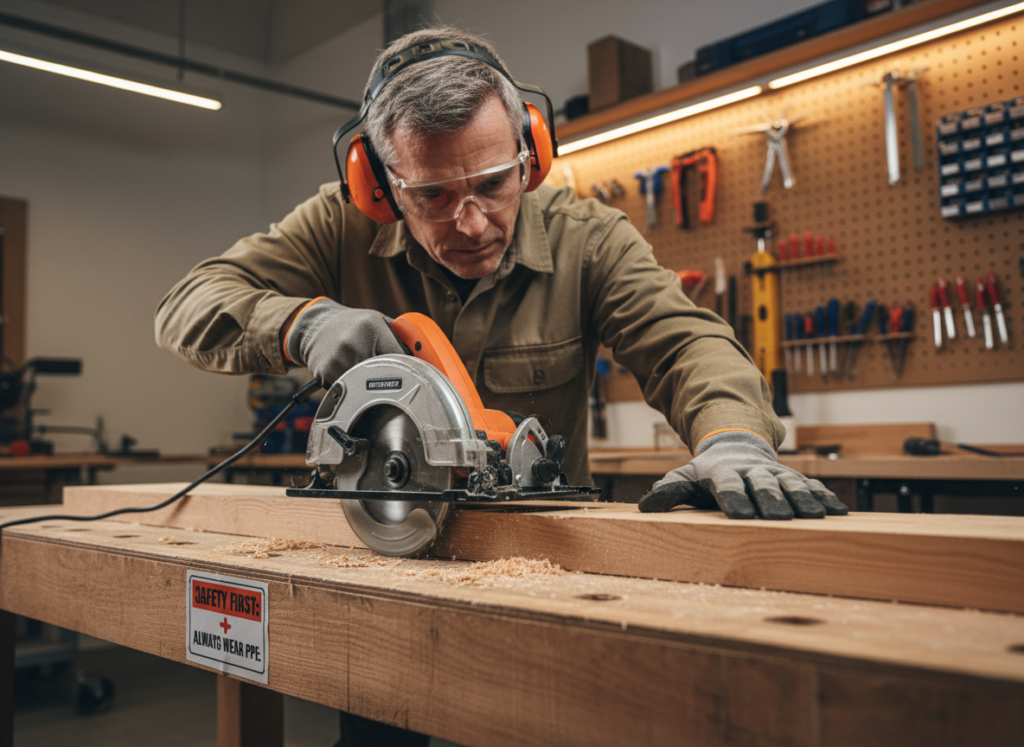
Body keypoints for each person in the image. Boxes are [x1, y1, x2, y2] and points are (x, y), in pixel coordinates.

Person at [156, 24, 847, 747]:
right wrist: (301, 321)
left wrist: (733, 438)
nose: (472, 221)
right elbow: (187, 303)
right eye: (431, 196)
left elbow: (686, 341)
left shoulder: (589, 237)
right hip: (386, 570)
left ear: (532, 155)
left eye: (492, 183)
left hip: (543, 576)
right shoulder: (338, 223)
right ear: (380, 185)